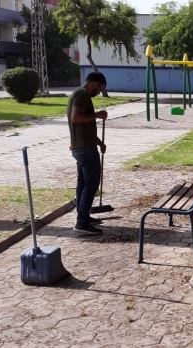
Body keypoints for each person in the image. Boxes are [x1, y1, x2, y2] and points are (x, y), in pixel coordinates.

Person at [67, 72, 108, 235]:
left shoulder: (79, 93)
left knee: (83, 183)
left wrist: (99, 143)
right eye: (100, 89)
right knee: (91, 184)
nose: (98, 93)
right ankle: (82, 222)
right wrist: (98, 115)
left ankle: (84, 216)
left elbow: (86, 128)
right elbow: (76, 118)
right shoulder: (83, 94)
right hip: (84, 148)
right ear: (96, 84)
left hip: (82, 145)